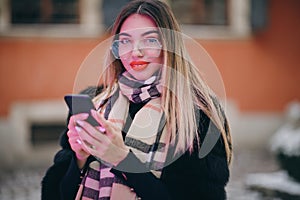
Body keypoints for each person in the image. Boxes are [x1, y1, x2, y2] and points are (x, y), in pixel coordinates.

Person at [41, 0, 233, 199]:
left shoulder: (196, 115)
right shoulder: (96, 102)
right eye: (125, 41)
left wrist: (123, 160)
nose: (135, 52)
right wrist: (78, 158)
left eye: (150, 40)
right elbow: (55, 193)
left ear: (169, 46)